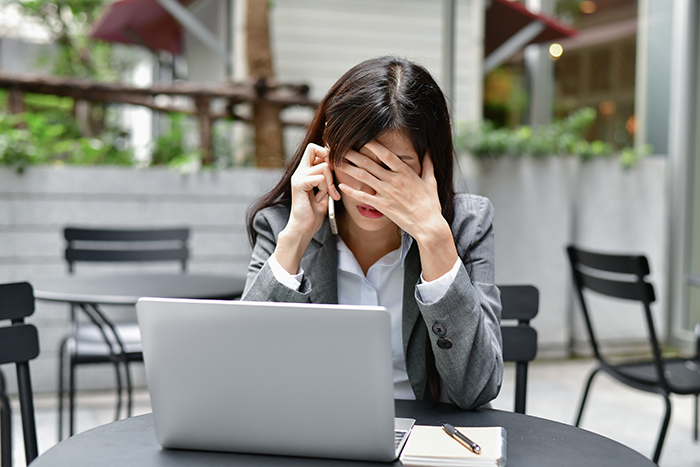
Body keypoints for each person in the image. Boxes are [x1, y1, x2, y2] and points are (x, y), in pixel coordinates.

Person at [243, 56, 502, 410]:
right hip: (314, 435)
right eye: (356, 161)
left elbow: (477, 388)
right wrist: (296, 237)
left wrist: (434, 239)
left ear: (430, 165)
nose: (370, 186)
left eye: (393, 167)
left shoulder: (465, 224)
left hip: (423, 441)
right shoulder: (281, 224)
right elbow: (245, 371)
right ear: (326, 154)